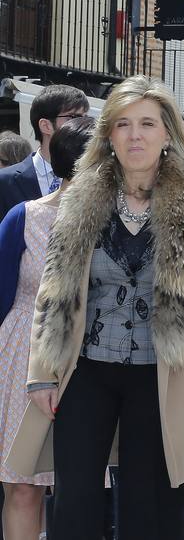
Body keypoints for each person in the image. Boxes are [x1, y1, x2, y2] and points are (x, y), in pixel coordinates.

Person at [6, 76, 184, 539]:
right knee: (74, 499)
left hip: (160, 372)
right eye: (124, 124)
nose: (135, 135)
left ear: (168, 133)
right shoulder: (80, 195)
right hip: (83, 370)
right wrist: (41, 374)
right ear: (108, 134)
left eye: (148, 124)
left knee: (145, 501)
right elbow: (55, 293)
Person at [0, 116, 89, 539]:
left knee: (81, 488)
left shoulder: (122, 221)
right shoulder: (25, 217)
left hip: (91, 358)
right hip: (23, 356)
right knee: (22, 485)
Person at [0, 84, 91, 218]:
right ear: (46, 125)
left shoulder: (94, 179)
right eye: (73, 117)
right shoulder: (5, 181)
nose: (82, 124)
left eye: (85, 118)